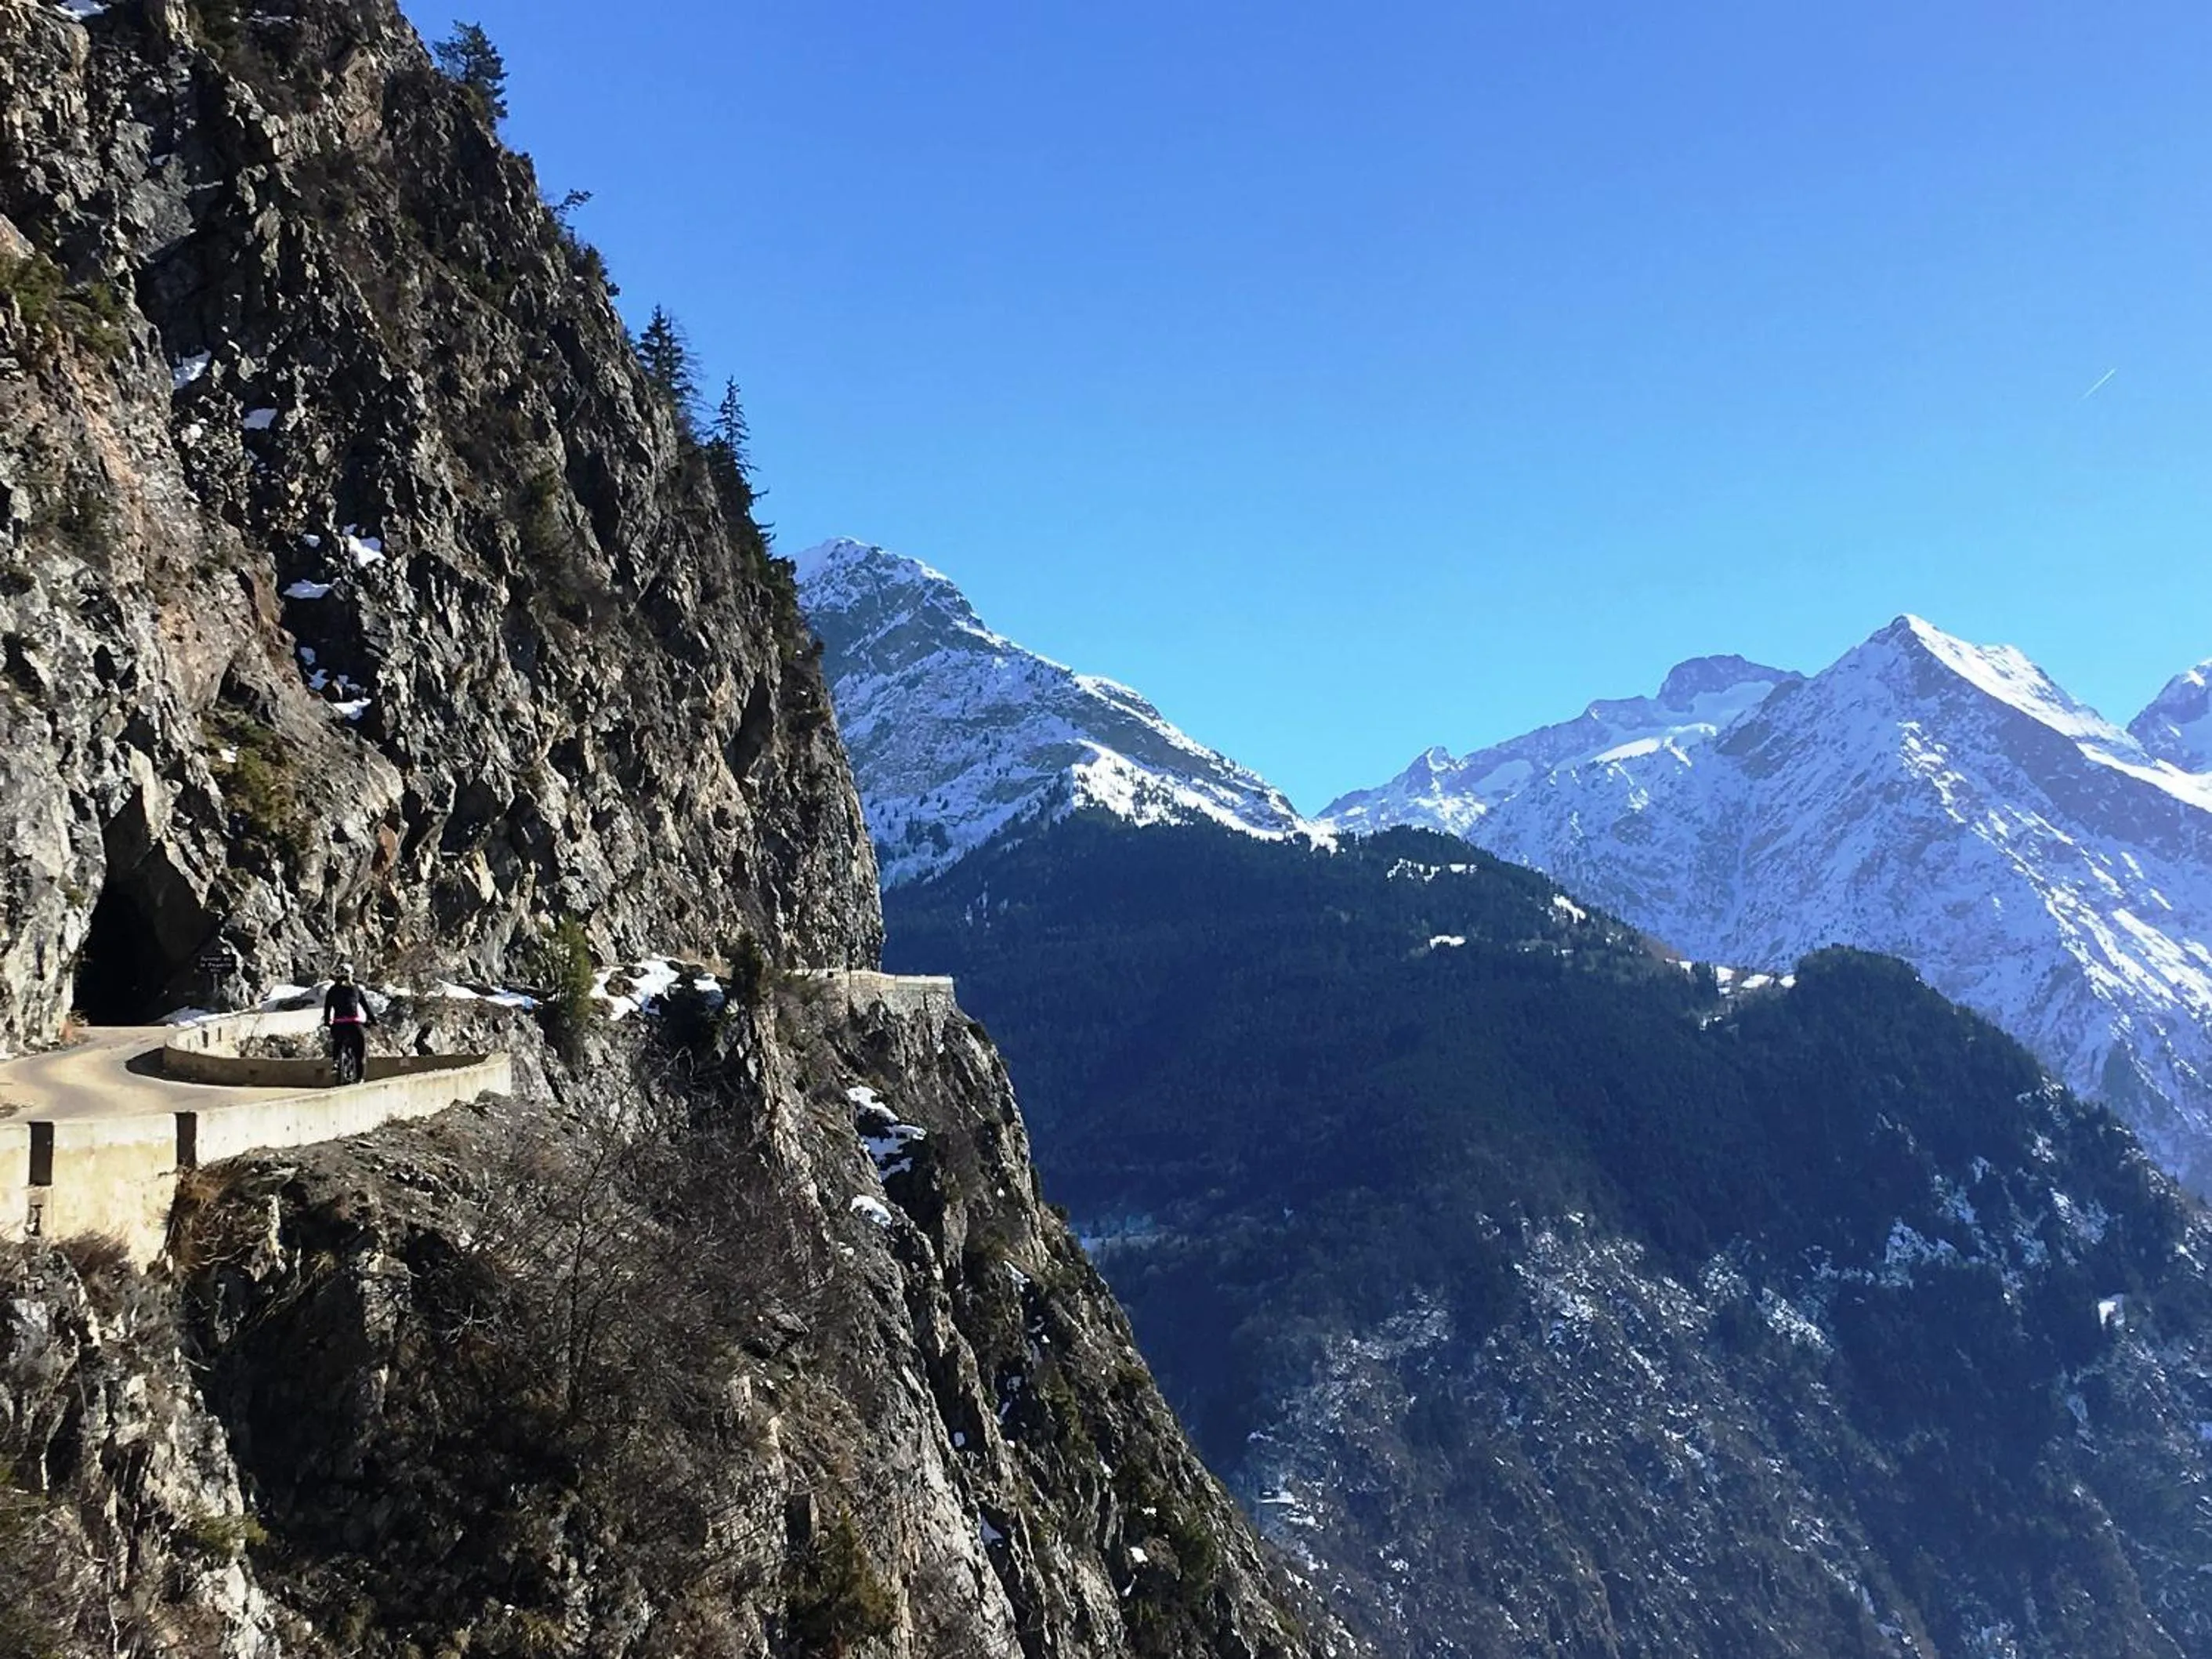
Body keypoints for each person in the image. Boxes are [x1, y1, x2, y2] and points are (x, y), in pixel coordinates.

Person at [324, 959, 374, 1084]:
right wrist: (372, 1020)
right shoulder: (355, 989)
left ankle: (335, 1061)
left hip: (338, 1023)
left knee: (337, 1041)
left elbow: (327, 1007)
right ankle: (360, 1078)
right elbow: (366, 1007)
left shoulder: (332, 991)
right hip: (353, 1023)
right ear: (351, 975)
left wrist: (327, 1021)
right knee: (360, 1050)